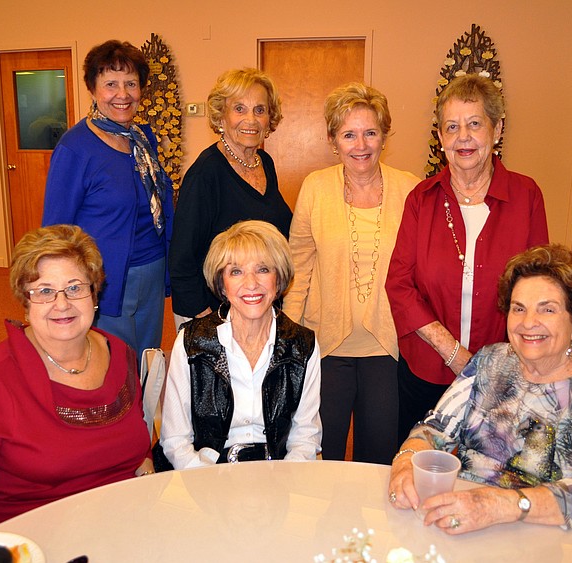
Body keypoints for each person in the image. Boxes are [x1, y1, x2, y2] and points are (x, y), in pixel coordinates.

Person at [0, 225, 152, 551]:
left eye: (75, 287)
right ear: (25, 301)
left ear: (95, 294)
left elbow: (137, 448)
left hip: (117, 534)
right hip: (29, 544)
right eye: (45, 291)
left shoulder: (120, 354)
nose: (62, 303)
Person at [387, 244, 572, 533]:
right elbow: (434, 429)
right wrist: (406, 461)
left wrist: (499, 505)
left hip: (547, 536)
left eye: (548, 309)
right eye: (519, 308)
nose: (528, 323)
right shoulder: (490, 361)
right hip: (464, 520)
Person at [386, 74, 549, 444]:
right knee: (418, 462)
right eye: (452, 127)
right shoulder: (421, 199)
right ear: (441, 137)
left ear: (497, 129)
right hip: (426, 367)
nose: (463, 137)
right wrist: (456, 354)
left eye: (475, 124)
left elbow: (540, 286)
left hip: (502, 371)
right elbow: (399, 284)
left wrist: (498, 362)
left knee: (485, 467)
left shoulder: (526, 197)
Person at [283, 83, 419, 464]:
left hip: (386, 344)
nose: (360, 145)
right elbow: (300, 263)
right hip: (327, 342)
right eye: (349, 134)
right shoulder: (316, 187)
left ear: (384, 137)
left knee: (377, 457)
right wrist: (291, 333)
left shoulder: (410, 189)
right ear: (333, 141)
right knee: (320, 452)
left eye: (370, 133)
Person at [43, 40, 173, 358]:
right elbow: (55, 230)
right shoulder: (75, 147)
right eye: (111, 84)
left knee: (148, 361)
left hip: (152, 270)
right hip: (105, 278)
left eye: (131, 83)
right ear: (93, 88)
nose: (122, 94)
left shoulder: (143, 139)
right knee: (113, 366)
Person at [160, 220, 321, 468]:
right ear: (222, 284)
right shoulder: (192, 342)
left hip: (278, 474)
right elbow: (175, 440)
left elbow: (305, 440)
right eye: (236, 271)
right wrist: (210, 485)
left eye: (263, 270)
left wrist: (281, 483)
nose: (251, 283)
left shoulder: (303, 345)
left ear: (279, 280)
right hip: (206, 476)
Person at [169, 69, 292, 325]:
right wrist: (206, 320)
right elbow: (182, 258)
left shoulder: (264, 163)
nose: (251, 119)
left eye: (260, 110)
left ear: (270, 119)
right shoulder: (206, 172)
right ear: (221, 117)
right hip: (216, 312)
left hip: (256, 304)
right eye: (239, 109)